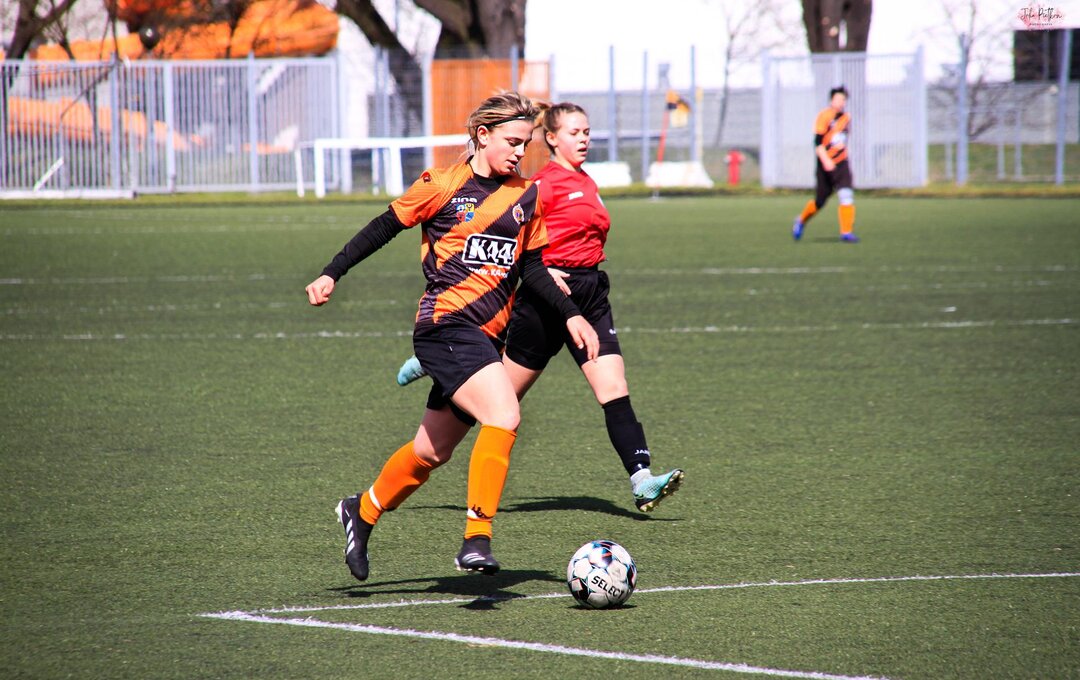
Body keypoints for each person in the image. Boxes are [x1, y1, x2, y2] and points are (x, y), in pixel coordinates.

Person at [305, 92, 599, 582]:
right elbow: (382, 227)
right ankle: (476, 538)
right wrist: (332, 272)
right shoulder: (442, 185)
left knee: (430, 451)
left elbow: (532, 267)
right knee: (504, 415)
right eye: (512, 141)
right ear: (482, 135)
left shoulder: (527, 196)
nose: (520, 152)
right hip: (444, 327)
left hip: (487, 339)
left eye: (525, 144)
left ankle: (362, 510)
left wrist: (570, 314)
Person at [397, 101, 684, 513]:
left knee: (613, 387)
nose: (583, 139)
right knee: (499, 401)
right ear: (551, 138)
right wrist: (548, 273)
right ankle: (442, 369)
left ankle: (642, 480)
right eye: (574, 133)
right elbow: (511, 237)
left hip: (590, 296)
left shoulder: (586, 180)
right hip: (548, 300)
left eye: (587, 132)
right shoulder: (541, 184)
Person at [792, 86, 860, 243]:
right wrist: (826, 160)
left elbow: (840, 139)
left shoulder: (846, 117)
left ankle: (846, 232)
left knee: (846, 194)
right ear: (831, 100)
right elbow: (817, 142)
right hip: (825, 164)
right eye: (838, 99)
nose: (841, 102)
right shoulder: (824, 116)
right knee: (820, 201)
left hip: (841, 162)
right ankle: (801, 220)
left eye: (843, 99)